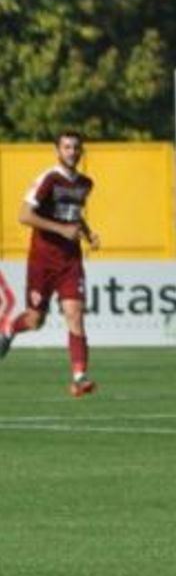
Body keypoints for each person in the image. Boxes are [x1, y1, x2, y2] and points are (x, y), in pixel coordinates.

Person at [0, 131, 100, 396]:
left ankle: (79, 377)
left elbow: (73, 215)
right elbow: (24, 215)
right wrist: (60, 230)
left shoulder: (85, 183)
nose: (72, 151)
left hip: (70, 261)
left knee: (75, 315)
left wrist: (88, 234)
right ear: (58, 150)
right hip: (42, 261)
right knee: (35, 321)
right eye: (67, 147)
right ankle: (9, 327)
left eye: (76, 147)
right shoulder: (49, 179)